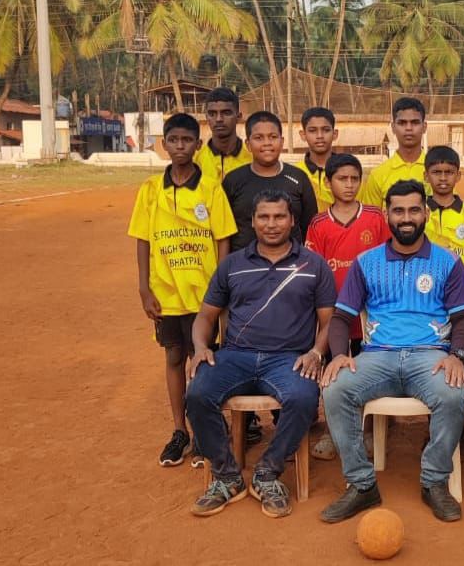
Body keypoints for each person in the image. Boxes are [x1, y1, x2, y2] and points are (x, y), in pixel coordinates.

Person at [319, 180, 464, 524]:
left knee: (452, 393)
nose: (406, 218)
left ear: (426, 213)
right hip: (378, 356)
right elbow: (342, 317)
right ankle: (361, 485)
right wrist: (340, 355)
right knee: (335, 388)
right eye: (399, 210)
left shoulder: (448, 262)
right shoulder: (366, 262)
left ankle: (434, 482)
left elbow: (463, 318)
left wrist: (456, 355)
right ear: (387, 214)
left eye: (414, 210)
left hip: (430, 356)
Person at [185, 189, 336, 519]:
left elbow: (329, 322)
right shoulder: (232, 265)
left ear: (292, 220)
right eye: (264, 217)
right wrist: (200, 348)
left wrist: (315, 352)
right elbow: (206, 317)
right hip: (235, 356)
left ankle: (268, 473)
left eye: (279, 216)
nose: (272, 224)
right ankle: (227, 477)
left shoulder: (314, 265)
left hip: (288, 358)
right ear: (252, 221)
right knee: (197, 392)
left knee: (303, 397)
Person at [127, 112, 237, 467]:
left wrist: (220, 291)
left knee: (202, 360)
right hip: (166, 294)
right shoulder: (150, 190)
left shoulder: (211, 189)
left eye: (186, 140)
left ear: (197, 145)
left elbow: (223, 241)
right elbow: (143, 240)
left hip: (203, 296)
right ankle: (179, 431)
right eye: (173, 140)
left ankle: (206, 429)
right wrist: (144, 288)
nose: (179, 146)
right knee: (174, 357)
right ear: (164, 145)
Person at [305, 153, 390, 460]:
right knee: (334, 372)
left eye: (355, 178)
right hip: (333, 314)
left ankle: (369, 431)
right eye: (342, 178)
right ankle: (333, 430)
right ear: (329, 183)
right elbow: (313, 268)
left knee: (369, 371)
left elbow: (389, 258)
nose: (350, 184)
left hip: (371, 313)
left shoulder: (375, 217)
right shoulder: (318, 224)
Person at [222, 111, 318, 251]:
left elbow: (310, 227)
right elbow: (224, 232)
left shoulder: (298, 178)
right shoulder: (233, 180)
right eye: (259, 138)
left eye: (273, 137)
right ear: (248, 144)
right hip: (244, 268)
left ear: (282, 141)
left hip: (290, 267)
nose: (267, 143)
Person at [424, 145, 464, 278]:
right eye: (436, 172)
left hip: (462, 293)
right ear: (426, 176)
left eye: (449, 172)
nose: (443, 178)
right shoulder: (418, 213)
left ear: (458, 176)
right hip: (426, 292)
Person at [359, 97, 428, 206]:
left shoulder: (438, 173)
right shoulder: (378, 175)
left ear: (424, 127)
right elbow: (372, 220)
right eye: (402, 123)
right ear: (393, 127)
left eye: (415, 122)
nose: (408, 128)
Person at [193, 87, 252, 183]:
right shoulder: (196, 161)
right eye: (212, 114)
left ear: (238, 117)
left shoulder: (253, 159)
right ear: (206, 117)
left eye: (226, 113)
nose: (219, 119)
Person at [298, 106, 339, 211]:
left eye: (326, 130)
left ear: (335, 134)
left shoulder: (348, 173)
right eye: (312, 130)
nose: (319, 136)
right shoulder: (295, 173)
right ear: (303, 135)